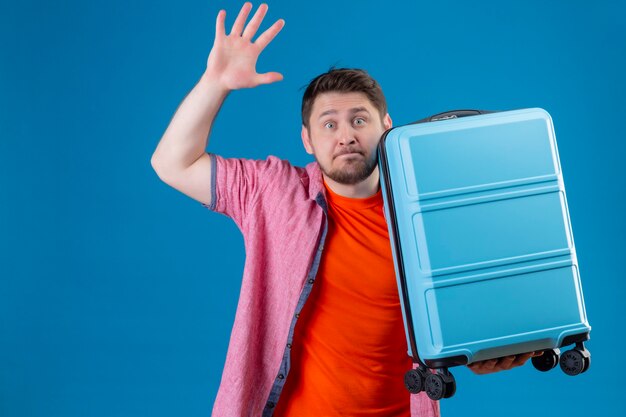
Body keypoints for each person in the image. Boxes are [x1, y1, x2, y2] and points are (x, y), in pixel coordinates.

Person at [151, 3, 540, 416]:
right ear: (307, 139)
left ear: (387, 126)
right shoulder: (271, 192)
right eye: (329, 124)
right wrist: (216, 83)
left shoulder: (430, 213)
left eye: (359, 120)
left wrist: (486, 352)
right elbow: (172, 163)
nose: (346, 136)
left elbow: (465, 316)